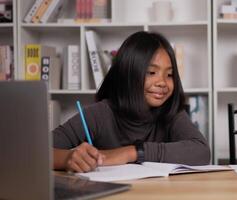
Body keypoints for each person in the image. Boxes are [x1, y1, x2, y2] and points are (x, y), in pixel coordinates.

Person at [53, 31, 211, 172]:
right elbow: (36, 151)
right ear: (127, 74)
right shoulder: (98, 114)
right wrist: (68, 158)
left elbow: (202, 151)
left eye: (169, 75)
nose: (162, 82)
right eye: (151, 72)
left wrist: (132, 152)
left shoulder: (171, 113)